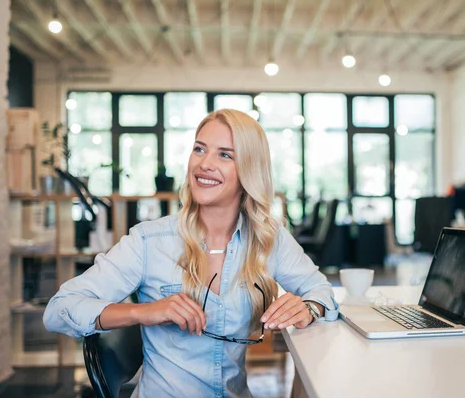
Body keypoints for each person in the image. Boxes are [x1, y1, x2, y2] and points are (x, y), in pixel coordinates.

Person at [43, 109, 339, 397]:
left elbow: (322, 292)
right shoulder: (150, 241)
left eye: (224, 154)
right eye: (199, 149)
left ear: (249, 168)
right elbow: (59, 310)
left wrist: (309, 308)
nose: (204, 164)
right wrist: (146, 312)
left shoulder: (267, 238)